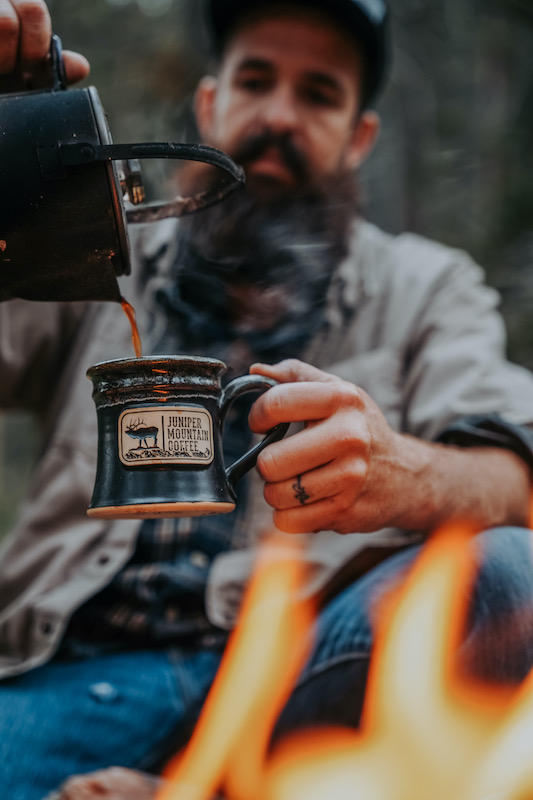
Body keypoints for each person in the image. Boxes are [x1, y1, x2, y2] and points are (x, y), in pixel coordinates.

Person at [2, 0, 533, 797]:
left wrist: (402, 473)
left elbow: (517, 476)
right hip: (64, 676)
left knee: (508, 571)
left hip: (301, 676)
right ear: (211, 105)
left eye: (318, 94)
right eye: (257, 80)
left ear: (359, 138)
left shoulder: (428, 289)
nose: (280, 114)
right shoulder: (96, 256)